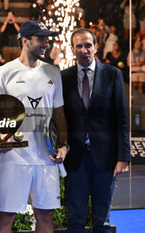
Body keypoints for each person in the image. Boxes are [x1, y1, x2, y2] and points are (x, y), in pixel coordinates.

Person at [0, 21, 68, 233]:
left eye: (47, 39)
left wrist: (63, 145)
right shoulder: (3, 73)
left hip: (46, 159)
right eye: (41, 39)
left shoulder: (53, 72)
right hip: (14, 157)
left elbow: (59, 113)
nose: (46, 43)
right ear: (25, 41)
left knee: (45, 217)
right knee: (5, 218)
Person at [61, 28, 130, 233]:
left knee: (102, 221)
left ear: (96, 47)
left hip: (105, 158)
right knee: (75, 220)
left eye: (88, 45)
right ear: (73, 50)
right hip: (75, 158)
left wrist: (123, 156)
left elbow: (121, 118)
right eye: (79, 46)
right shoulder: (63, 78)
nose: (84, 49)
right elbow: (59, 118)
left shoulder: (113, 74)